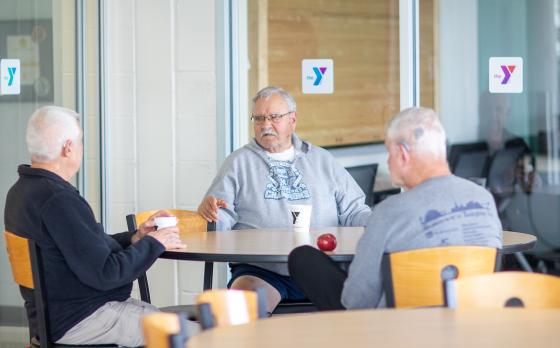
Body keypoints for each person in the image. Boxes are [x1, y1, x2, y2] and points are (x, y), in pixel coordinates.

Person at [4, 106, 196, 347]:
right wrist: (155, 243)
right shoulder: (58, 200)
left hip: (56, 317)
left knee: (161, 315)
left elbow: (84, 249)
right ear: (68, 147)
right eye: (80, 141)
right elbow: (107, 273)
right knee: (198, 335)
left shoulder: (21, 192)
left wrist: (135, 238)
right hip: (81, 319)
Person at [288, 107, 503, 310]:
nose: (389, 161)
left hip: (397, 332)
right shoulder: (484, 200)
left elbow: (356, 301)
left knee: (303, 259)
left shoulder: (388, 212)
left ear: (403, 153)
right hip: (470, 328)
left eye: (389, 152)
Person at [197, 86, 371, 312]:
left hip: (323, 267)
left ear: (293, 120)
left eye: (274, 117)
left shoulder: (322, 159)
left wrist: (380, 223)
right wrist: (207, 215)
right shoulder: (238, 163)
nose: (265, 124)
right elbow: (217, 225)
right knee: (239, 309)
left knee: (364, 302)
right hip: (263, 271)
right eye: (259, 118)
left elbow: (354, 211)